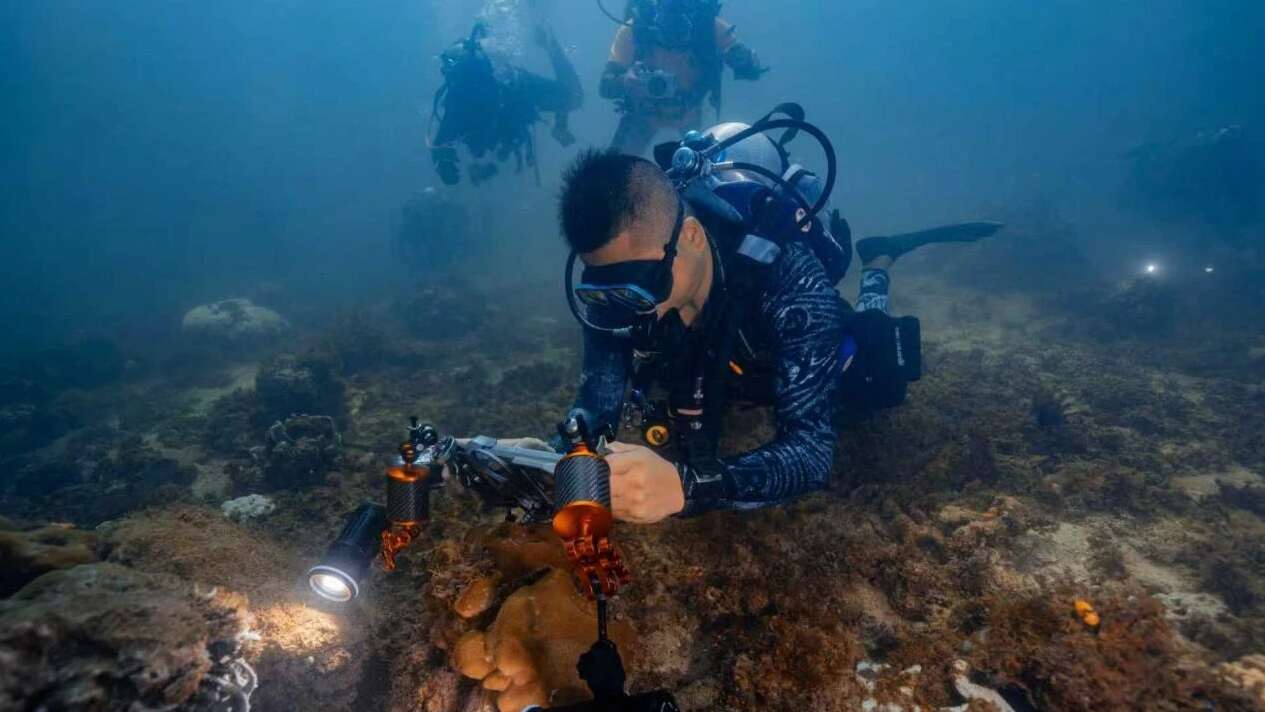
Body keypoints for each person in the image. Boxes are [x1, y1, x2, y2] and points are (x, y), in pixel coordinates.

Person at [552, 118, 1002, 523]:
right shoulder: (617, 286)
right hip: (721, 354)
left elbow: (811, 452)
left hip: (776, 338)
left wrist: (689, 488)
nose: (629, 308)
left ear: (690, 236)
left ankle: (877, 268)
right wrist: (557, 458)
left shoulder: (790, 278)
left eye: (642, 283)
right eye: (605, 290)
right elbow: (596, 404)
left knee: (873, 384)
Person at [599, 0, 767, 155]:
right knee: (614, 169)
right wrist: (625, 81)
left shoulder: (709, 28)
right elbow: (606, 85)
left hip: (692, 114)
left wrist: (741, 58)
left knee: (708, 165)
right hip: (642, 114)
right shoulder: (635, 29)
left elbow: (751, 68)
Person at [430, 23, 583, 185]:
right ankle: (551, 46)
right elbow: (441, 142)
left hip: (516, 102)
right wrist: (443, 163)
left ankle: (551, 45)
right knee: (572, 98)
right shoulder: (458, 100)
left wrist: (443, 163)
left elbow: (442, 140)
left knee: (572, 98)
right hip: (507, 125)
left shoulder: (510, 85)